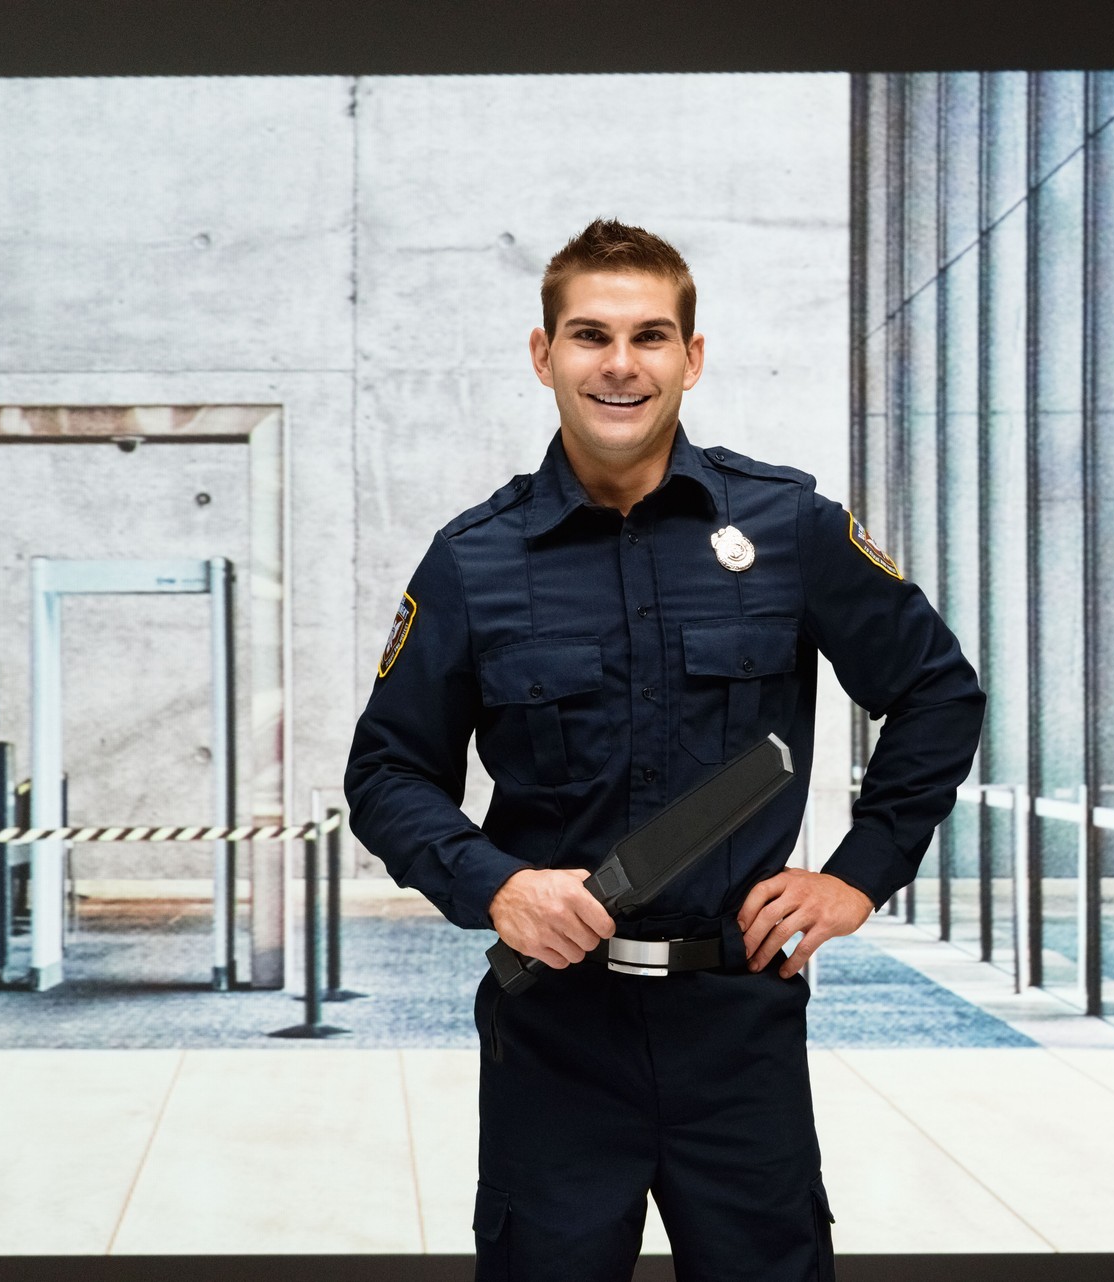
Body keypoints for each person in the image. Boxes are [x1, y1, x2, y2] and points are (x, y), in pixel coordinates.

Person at [343, 219, 984, 1281]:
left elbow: (935, 693)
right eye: (590, 335)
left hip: (737, 1024)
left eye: (650, 336)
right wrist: (496, 886)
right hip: (555, 1029)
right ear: (544, 355)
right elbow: (387, 772)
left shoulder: (788, 528)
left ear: (692, 356)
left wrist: (857, 879)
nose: (620, 364)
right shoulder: (475, 560)